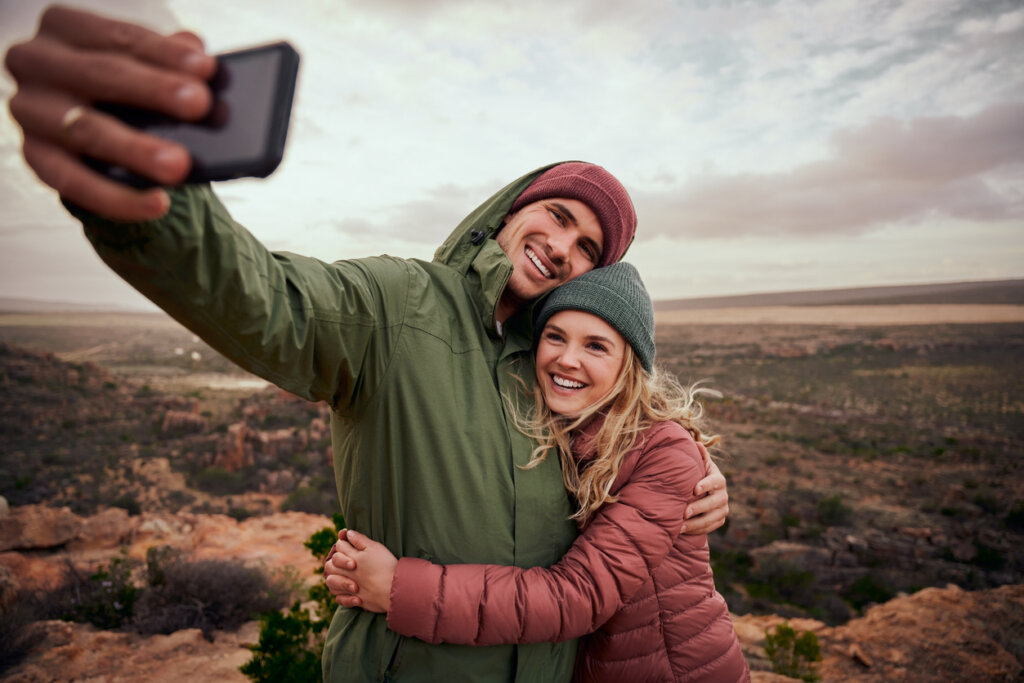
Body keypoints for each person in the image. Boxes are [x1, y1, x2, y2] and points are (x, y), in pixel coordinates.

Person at [5, 7, 731, 682]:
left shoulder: (552, 377)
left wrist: (699, 487)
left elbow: (633, 467)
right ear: (514, 209)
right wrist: (149, 194)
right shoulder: (401, 303)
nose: (562, 246)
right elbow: (265, 298)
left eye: (587, 248)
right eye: (558, 214)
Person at [326, 262, 750, 682]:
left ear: (630, 365)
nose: (568, 360)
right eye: (555, 337)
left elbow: (578, 596)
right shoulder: (550, 430)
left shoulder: (662, 452)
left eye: (596, 346)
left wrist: (400, 588)